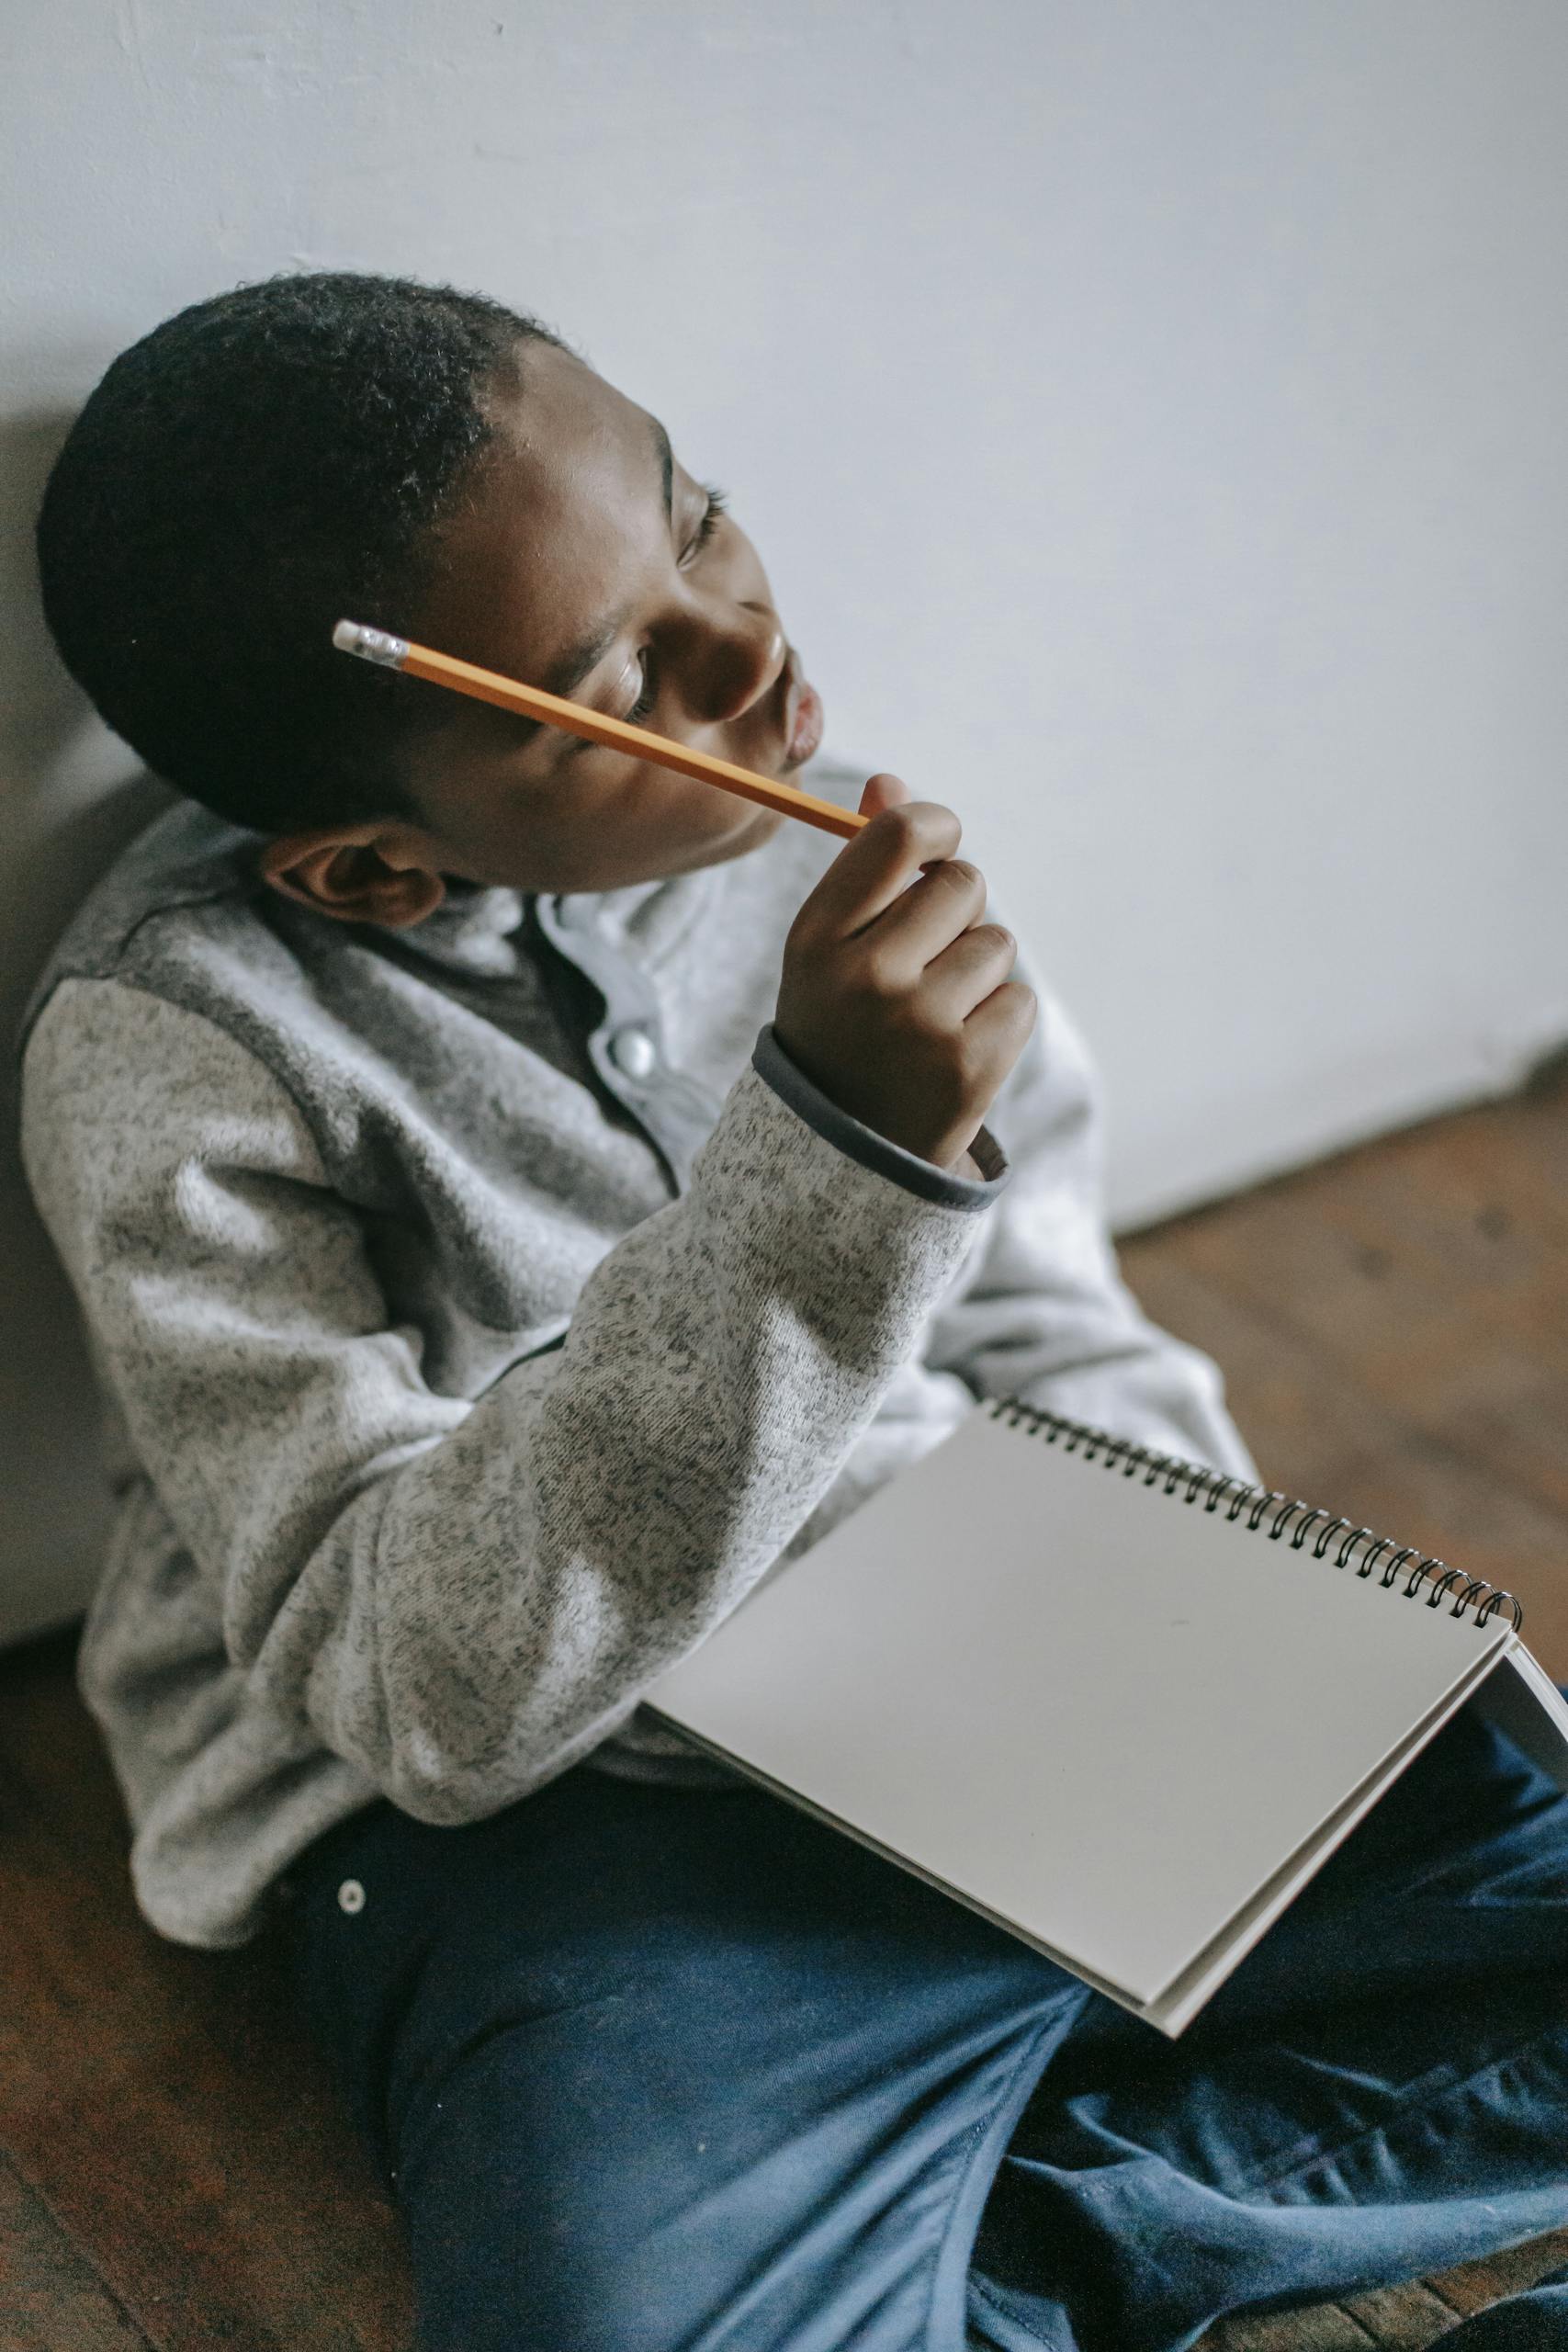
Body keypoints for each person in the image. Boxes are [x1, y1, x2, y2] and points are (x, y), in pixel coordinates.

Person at [18, 273, 1566, 2352]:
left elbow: (1042, 1312)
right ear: (372, 874)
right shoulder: (186, 1048)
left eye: (699, 512)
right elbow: (419, 1694)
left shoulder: (796, 839)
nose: (753, 652)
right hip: (590, 1839)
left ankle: (1004, 2250)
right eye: (615, 678)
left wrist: (1226, 1674)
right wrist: (838, 1157)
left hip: (1004, 1695)